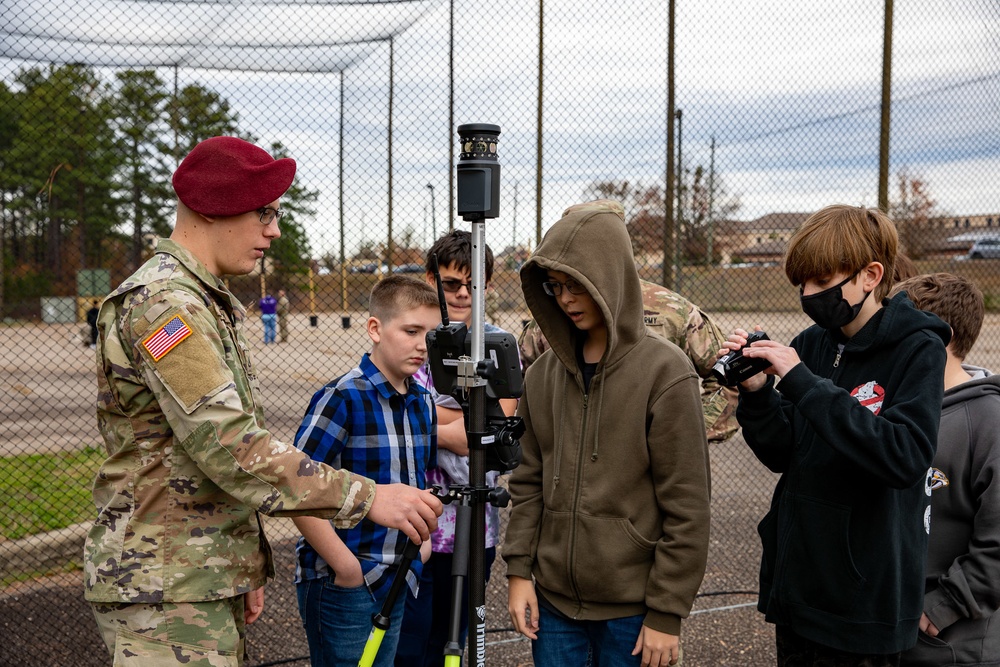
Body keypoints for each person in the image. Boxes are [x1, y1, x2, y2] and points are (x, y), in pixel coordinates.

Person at [85, 135, 442, 667]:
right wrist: (369, 498)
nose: (274, 230)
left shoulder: (200, 301)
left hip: (196, 574)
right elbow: (229, 445)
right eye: (264, 213)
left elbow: (194, 451)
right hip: (165, 584)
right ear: (213, 208)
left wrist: (237, 560)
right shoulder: (166, 307)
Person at [722, 204, 950, 665]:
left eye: (822, 282)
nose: (808, 294)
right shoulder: (812, 343)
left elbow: (904, 457)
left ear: (870, 275)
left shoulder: (918, 350)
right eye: (802, 283)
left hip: (864, 608)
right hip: (802, 593)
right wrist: (758, 390)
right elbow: (782, 452)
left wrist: (804, 383)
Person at [504, 199, 711, 666]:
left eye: (578, 285)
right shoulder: (540, 377)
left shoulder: (666, 373)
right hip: (553, 606)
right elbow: (528, 483)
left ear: (611, 278)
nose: (566, 300)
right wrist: (519, 572)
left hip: (635, 614)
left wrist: (667, 612)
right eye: (556, 287)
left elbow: (688, 506)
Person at [293, 275, 441, 667]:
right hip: (345, 585)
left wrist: (421, 547)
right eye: (411, 331)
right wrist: (346, 567)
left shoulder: (423, 402)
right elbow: (296, 487)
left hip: (398, 577)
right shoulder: (342, 397)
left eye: (431, 333)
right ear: (375, 328)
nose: (423, 345)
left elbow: (418, 482)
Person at [394, 229, 518, 667]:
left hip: (471, 527)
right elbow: (398, 416)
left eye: (474, 285)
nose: (463, 294)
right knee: (408, 645)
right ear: (430, 279)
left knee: (451, 643)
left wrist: (425, 419)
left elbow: (491, 430)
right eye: (451, 284)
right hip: (412, 521)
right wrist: (454, 424)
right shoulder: (410, 340)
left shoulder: (500, 345)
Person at [518, 199, 738, 442]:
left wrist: (677, 438)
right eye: (558, 286)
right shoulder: (551, 318)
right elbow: (520, 390)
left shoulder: (674, 312)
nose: (566, 298)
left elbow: (727, 381)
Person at [891, 273, 1000, 667]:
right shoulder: (895, 410)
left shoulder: (989, 420)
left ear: (941, 337)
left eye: (898, 331)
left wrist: (941, 608)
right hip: (890, 632)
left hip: (952, 645)